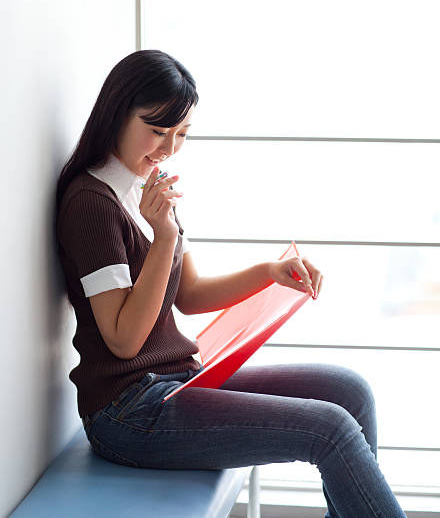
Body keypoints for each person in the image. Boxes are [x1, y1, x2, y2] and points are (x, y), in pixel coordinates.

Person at [55, 49, 407, 518]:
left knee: (350, 390)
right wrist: (164, 237)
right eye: (156, 130)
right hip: (128, 413)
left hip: (177, 382)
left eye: (181, 133)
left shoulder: (147, 186)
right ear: (116, 113)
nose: (168, 147)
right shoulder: (91, 203)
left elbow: (191, 294)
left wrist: (269, 274)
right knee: (330, 429)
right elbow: (123, 342)